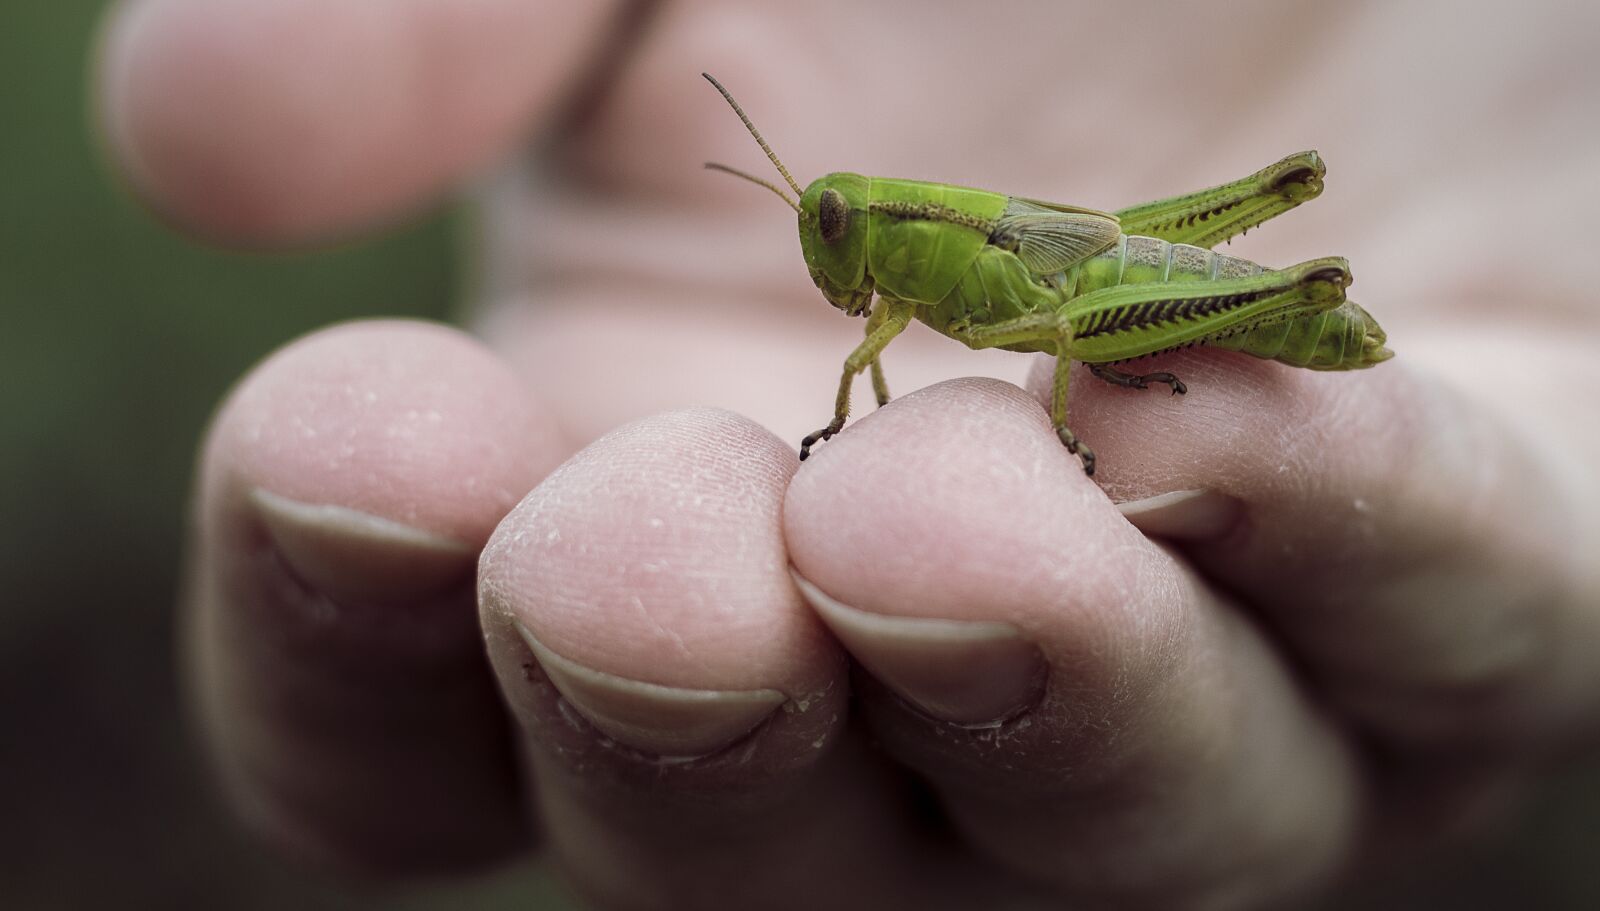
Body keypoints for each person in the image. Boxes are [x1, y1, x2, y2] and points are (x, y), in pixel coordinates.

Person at [101, 0, 1600, 907]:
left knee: (1077, 337)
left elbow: (1044, 323)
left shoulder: (956, 267)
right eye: (820, 228)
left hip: (1121, 289)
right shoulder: (884, 307)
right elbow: (873, 360)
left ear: (879, 224)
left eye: (831, 225)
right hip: (1085, 296)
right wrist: (849, 425)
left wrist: (1084, 408)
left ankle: (1296, 303)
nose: (831, 255)